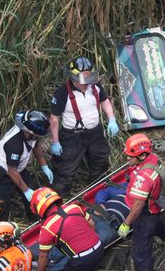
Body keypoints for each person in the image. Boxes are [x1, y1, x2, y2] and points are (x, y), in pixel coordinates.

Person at [30, 187, 105, 271]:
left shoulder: (47, 228)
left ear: (39, 209)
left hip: (82, 258)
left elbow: (43, 256)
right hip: (99, 248)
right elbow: (92, 224)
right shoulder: (74, 207)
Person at [48, 57, 120, 190]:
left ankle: (97, 188)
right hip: (72, 136)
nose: (86, 81)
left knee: (100, 160)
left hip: (95, 133)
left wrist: (112, 119)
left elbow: (105, 101)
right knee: (66, 168)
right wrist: (55, 141)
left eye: (89, 76)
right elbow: (54, 118)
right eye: (82, 77)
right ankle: (60, 197)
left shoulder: (95, 85)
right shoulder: (62, 92)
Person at [117, 134, 165, 271]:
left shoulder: (144, 178)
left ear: (141, 155)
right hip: (153, 208)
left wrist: (127, 224)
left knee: (140, 251)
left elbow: (138, 205)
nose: (127, 157)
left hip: (145, 213)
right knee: (157, 224)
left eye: (130, 156)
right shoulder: (153, 159)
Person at [0, 110, 53, 224]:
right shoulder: (15, 144)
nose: (37, 138)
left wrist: (44, 165)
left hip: (18, 168)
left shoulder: (31, 135)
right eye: (37, 135)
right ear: (29, 132)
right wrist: (26, 191)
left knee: (34, 194)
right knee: (1, 203)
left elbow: (36, 146)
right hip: (4, 173)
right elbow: (12, 172)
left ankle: (35, 219)